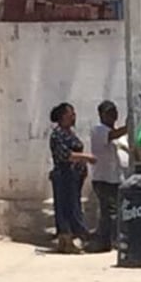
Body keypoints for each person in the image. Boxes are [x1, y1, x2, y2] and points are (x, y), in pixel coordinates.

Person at [49, 102, 95, 254]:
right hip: (64, 175)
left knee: (73, 205)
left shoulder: (69, 133)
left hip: (74, 176)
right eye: (71, 113)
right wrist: (86, 157)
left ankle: (72, 238)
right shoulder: (58, 134)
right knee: (66, 207)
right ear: (63, 116)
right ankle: (67, 239)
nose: (74, 116)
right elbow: (65, 155)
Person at [90, 100, 128, 253]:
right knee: (108, 212)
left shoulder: (118, 133)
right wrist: (129, 126)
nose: (113, 116)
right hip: (103, 178)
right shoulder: (99, 130)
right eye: (109, 113)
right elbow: (112, 135)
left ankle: (110, 239)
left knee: (116, 211)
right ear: (101, 115)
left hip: (116, 178)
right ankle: (105, 241)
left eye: (114, 112)